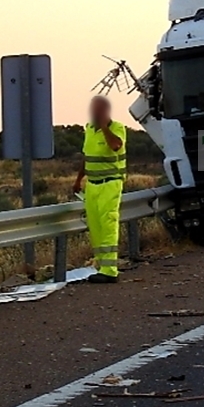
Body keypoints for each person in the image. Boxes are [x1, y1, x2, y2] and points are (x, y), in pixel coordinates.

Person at [73, 96, 127, 284]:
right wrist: (79, 179)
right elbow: (87, 157)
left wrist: (104, 126)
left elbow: (115, 146)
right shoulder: (88, 129)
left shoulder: (117, 128)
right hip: (92, 184)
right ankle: (101, 266)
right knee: (95, 226)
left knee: (108, 224)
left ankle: (110, 270)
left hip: (110, 183)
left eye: (98, 110)